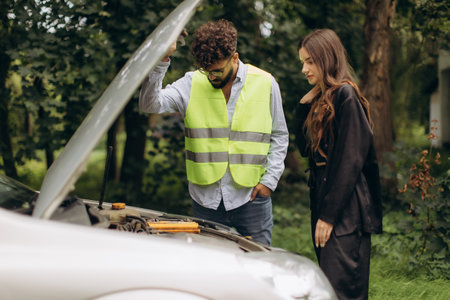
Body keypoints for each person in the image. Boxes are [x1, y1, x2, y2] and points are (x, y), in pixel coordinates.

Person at [139, 19, 288, 246]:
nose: (212, 77)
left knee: (260, 267)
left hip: (252, 198)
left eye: (217, 71)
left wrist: (270, 181)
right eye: (206, 71)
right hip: (205, 201)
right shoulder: (191, 82)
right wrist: (162, 59)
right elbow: (150, 105)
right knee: (210, 270)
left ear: (235, 58)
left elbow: (279, 135)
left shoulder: (266, 83)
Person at [294, 28, 383, 300]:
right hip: (324, 198)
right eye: (302, 62)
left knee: (341, 289)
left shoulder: (346, 96)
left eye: (310, 61)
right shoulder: (323, 100)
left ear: (326, 58)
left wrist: (329, 216)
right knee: (329, 288)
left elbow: (350, 160)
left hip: (347, 208)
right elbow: (304, 149)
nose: (304, 69)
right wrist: (304, 105)